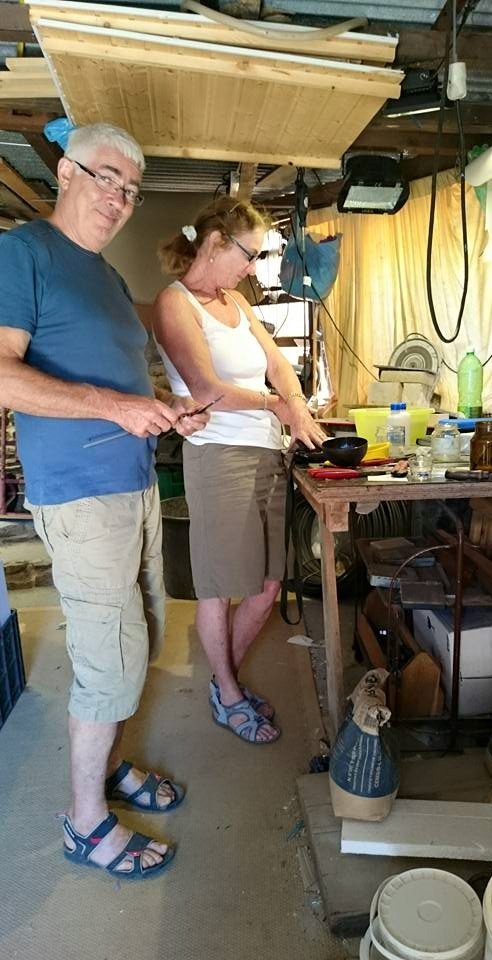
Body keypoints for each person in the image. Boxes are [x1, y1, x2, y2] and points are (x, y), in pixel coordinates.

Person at [0, 122, 208, 879]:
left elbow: (120, 383)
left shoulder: (108, 278)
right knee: (107, 658)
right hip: (83, 495)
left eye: (131, 189)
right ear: (65, 172)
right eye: (106, 178)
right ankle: (85, 823)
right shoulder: (24, 252)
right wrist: (116, 408)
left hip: (135, 483)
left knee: (140, 636)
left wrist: (163, 406)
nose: (119, 198)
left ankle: (112, 766)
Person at [153, 197, 327, 745]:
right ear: (215, 244)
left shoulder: (236, 301)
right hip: (220, 456)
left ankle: (221, 681)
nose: (252, 268)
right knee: (220, 588)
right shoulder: (175, 303)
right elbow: (206, 390)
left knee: (268, 585)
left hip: (267, 453)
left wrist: (295, 402)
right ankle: (228, 694)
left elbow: (277, 363)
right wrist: (277, 405)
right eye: (249, 255)